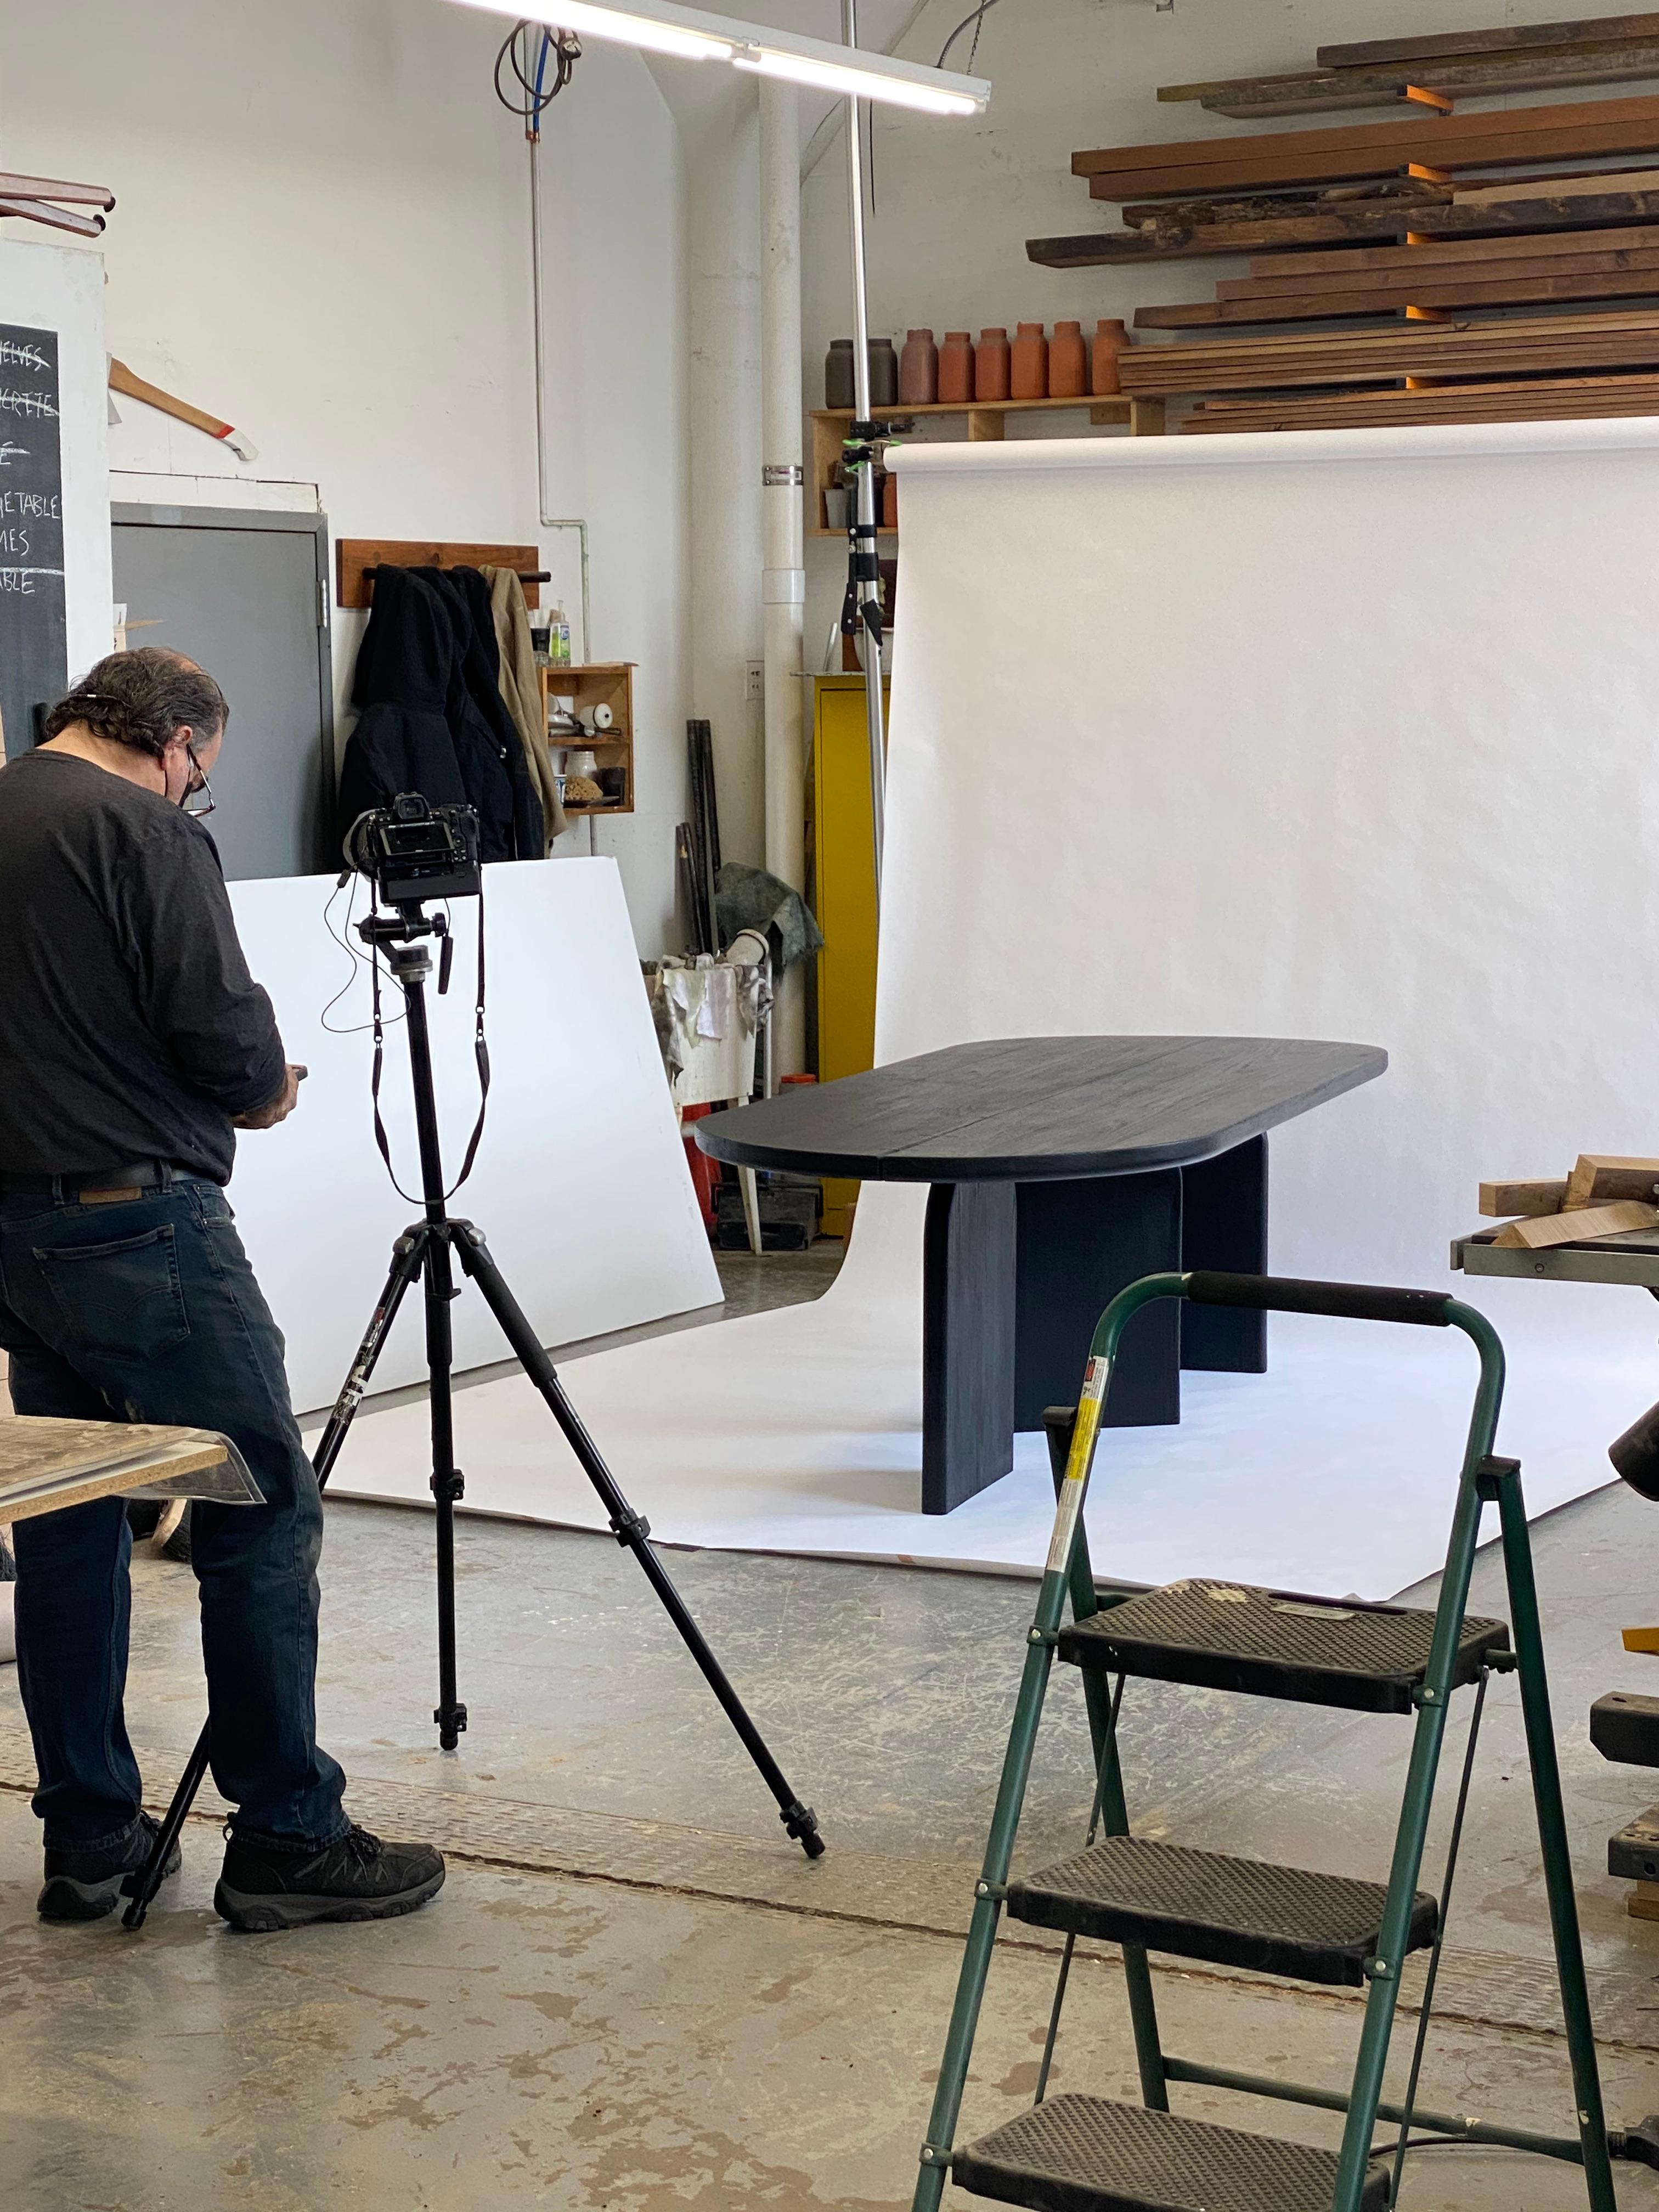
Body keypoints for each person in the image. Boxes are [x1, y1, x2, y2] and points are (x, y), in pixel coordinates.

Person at [0, 648, 444, 1929]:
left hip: (19, 1239)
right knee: (257, 1507)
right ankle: (288, 1836)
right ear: (178, 744)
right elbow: (220, 1027)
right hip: (141, 1225)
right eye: (204, 773)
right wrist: (269, 1088)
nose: (198, 791)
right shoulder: (140, 832)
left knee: (71, 1518)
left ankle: (90, 1840)